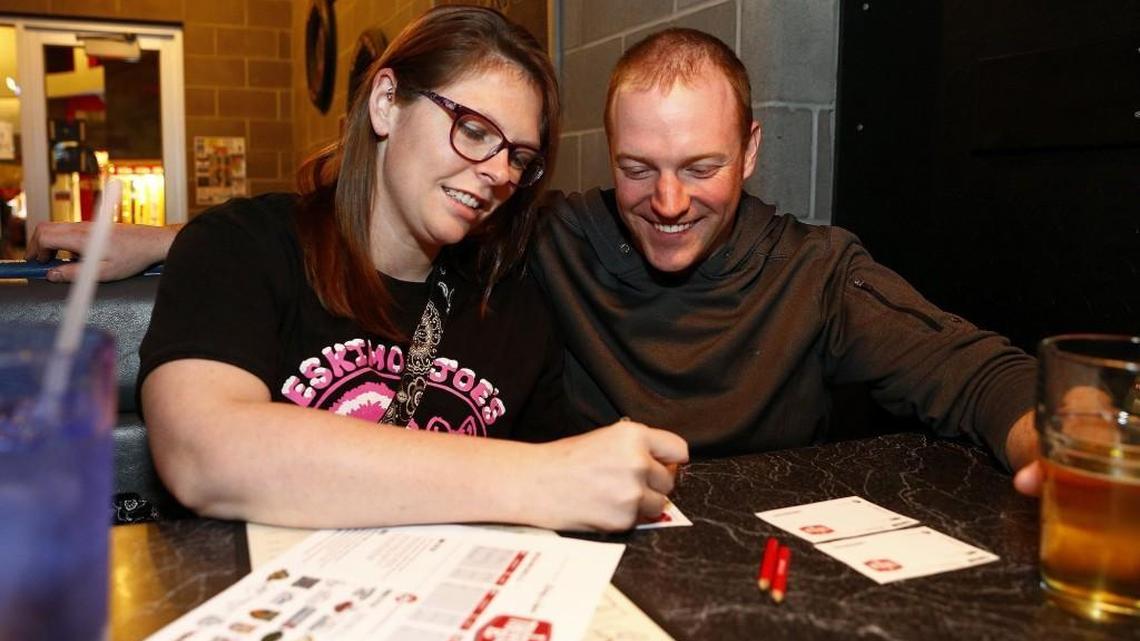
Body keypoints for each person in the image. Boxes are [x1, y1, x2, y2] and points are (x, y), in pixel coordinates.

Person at [29, 27, 1042, 493]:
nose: (671, 200)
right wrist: (169, 240)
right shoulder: (548, 239)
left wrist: (1071, 441)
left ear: (752, 152)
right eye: (640, 168)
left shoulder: (808, 269)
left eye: (702, 165)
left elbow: (968, 367)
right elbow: (317, 238)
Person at [105, 6, 687, 532]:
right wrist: (537, 477)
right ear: (386, 103)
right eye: (475, 130)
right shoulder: (242, 248)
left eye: (519, 156)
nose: (498, 172)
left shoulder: (508, 303)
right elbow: (204, 455)